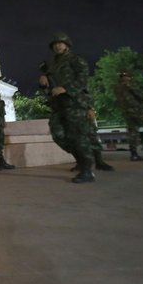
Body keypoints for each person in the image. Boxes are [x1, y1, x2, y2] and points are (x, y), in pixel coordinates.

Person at [38, 32, 96, 183]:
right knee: (58, 134)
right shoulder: (52, 64)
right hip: (58, 105)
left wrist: (66, 88)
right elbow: (49, 87)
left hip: (75, 103)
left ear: (67, 44)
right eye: (55, 44)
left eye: (60, 43)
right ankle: (80, 159)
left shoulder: (76, 60)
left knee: (78, 136)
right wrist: (43, 82)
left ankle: (87, 170)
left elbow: (83, 79)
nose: (57, 46)